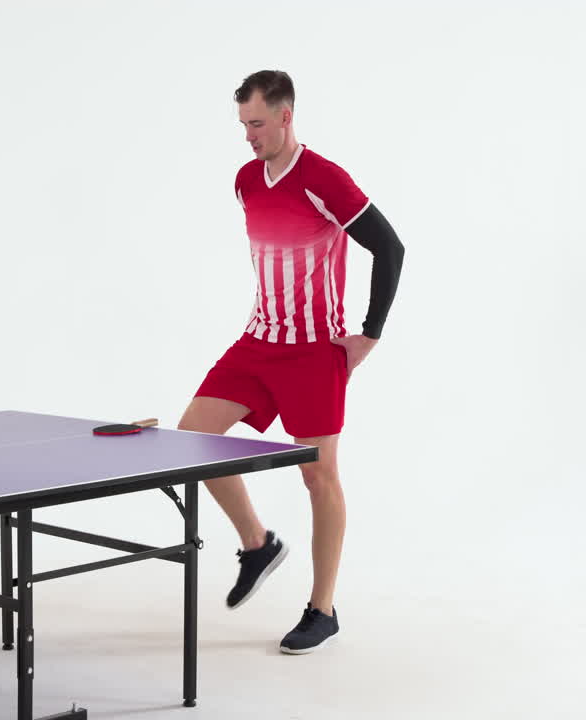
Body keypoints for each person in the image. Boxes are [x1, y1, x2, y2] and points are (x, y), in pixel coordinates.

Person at [178, 70, 405, 654]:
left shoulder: (324, 178)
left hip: (313, 352)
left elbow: (389, 246)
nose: (248, 135)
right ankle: (258, 545)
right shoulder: (246, 180)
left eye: (256, 123)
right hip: (259, 343)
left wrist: (369, 334)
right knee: (191, 439)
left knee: (318, 475)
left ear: (285, 115)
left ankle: (322, 610)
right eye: (242, 125)